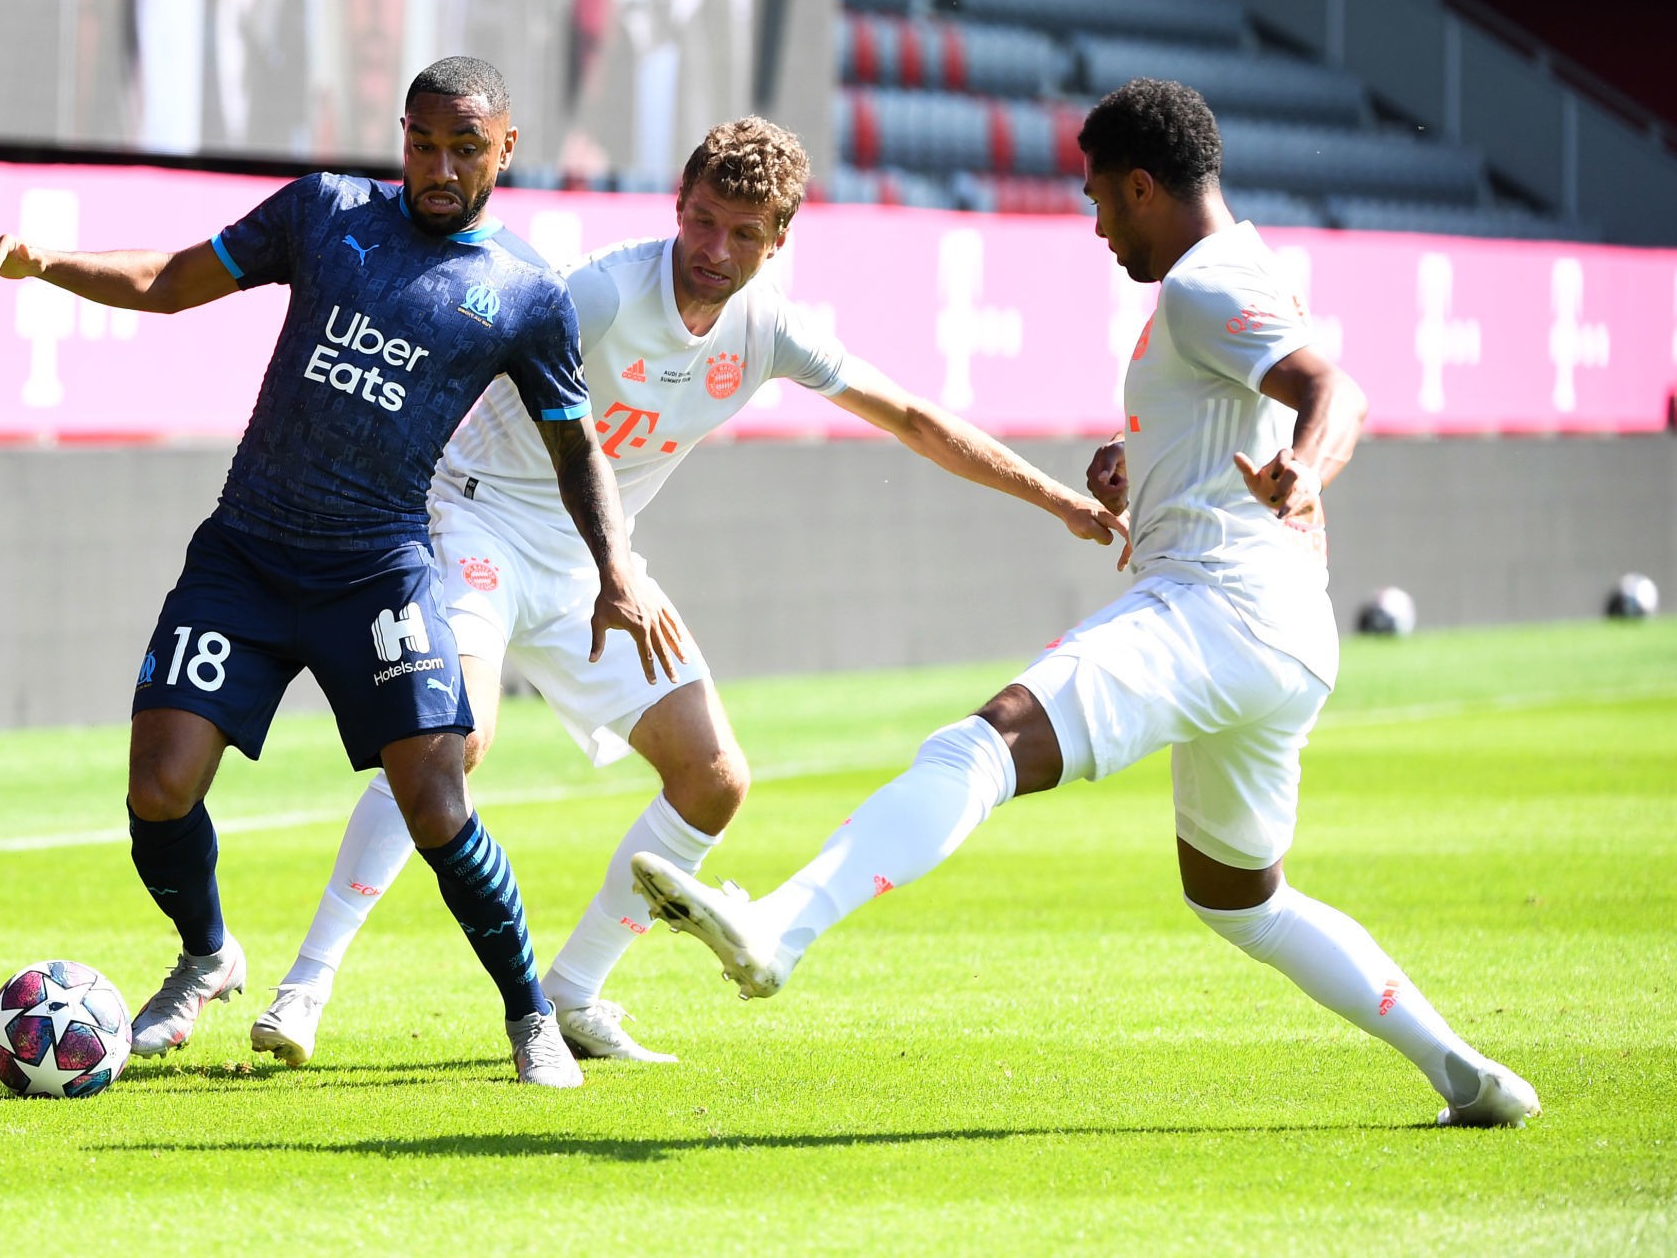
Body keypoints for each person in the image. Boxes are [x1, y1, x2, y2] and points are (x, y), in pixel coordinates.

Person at [631, 80, 1542, 1128]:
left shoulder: (1199, 284)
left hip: (1216, 606)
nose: (1096, 225)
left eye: (1099, 199)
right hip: (1288, 640)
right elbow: (1231, 403)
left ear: (1143, 185)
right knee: (1239, 899)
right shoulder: (1242, 269)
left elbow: (1334, 393)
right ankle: (1464, 1074)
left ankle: (776, 930)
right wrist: (1142, 457)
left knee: (981, 746)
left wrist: (1303, 466)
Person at [249, 115, 1127, 1068]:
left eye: (743, 234)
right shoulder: (601, 292)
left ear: (780, 239)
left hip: (597, 566)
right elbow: (460, 376)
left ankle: (574, 995)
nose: (713, 250)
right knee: (452, 741)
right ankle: (306, 988)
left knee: (714, 780)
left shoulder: (769, 326)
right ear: (678, 203)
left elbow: (911, 416)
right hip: (480, 521)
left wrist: (1057, 500)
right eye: (702, 221)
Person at [0, 56, 682, 1088]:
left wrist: (615, 567)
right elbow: (168, 282)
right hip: (245, 555)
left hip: (375, 572)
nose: (439, 166)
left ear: (504, 150)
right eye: (422, 143)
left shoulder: (526, 297)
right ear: (400, 137)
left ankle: (529, 1018)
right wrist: (44, 260)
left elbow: (577, 448)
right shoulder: (324, 214)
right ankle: (208, 956)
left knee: (434, 800)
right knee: (158, 789)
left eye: (464, 149)